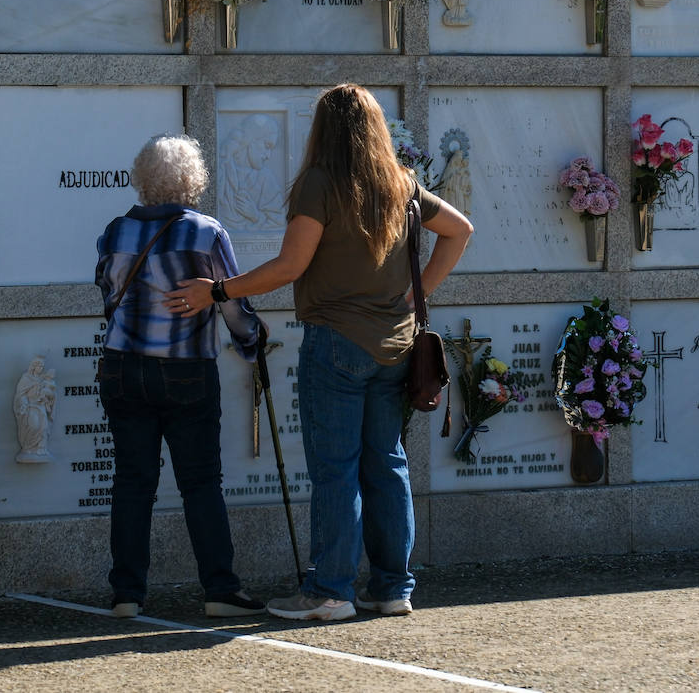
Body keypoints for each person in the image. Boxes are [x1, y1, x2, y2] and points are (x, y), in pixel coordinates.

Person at [169, 84, 473, 621]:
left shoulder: (320, 183)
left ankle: (330, 591)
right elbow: (459, 230)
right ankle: (391, 588)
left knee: (336, 470)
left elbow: (289, 267)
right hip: (395, 347)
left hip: (335, 342)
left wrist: (217, 291)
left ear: (323, 130)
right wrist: (417, 290)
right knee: (387, 465)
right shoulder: (400, 183)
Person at [94, 134, 267, 620]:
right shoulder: (206, 232)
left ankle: (126, 593)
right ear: (193, 180)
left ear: (142, 179)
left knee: (131, 480)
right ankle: (219, 589)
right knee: (200, 482)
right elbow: (231, 304)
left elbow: (107, 294)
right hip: (186, 370)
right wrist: (251, 342)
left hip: (123, 367)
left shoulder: (115, 231)